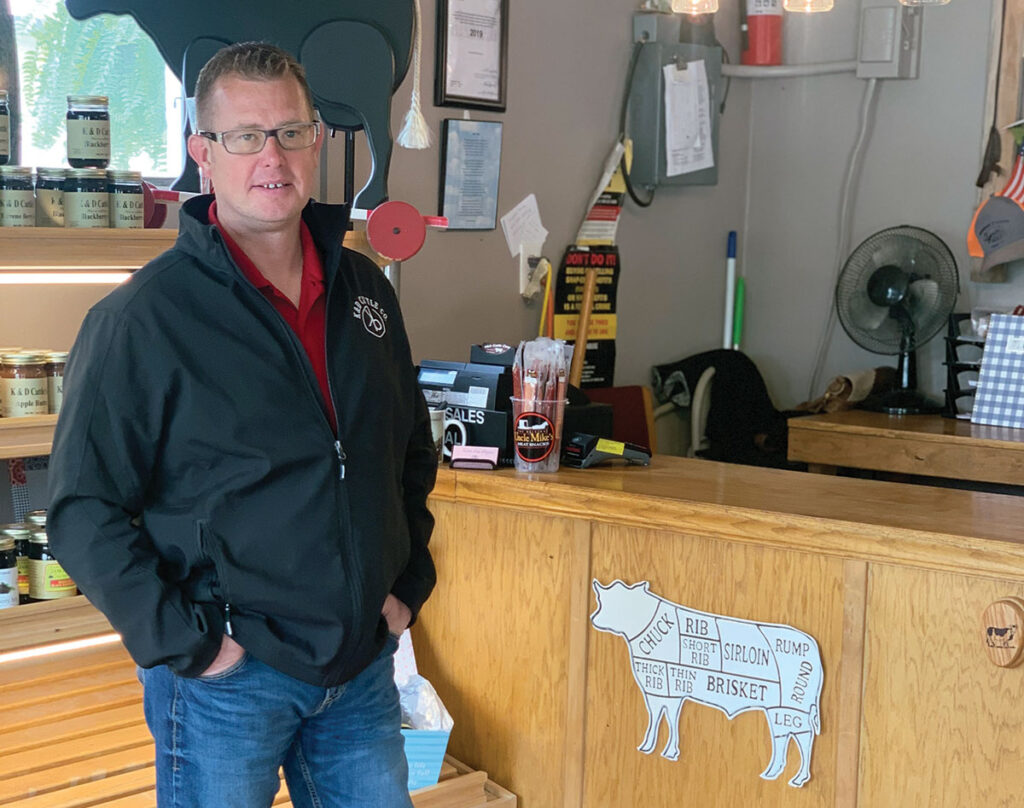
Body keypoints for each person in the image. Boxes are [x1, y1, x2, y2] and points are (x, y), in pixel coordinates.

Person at [48, 41, 437, 808]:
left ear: (316, 141)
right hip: (230, 680)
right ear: (203, 153)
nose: (273, 156)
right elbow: (82, 512)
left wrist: (407, 584)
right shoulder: (142, 320)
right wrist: (192, 648)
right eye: (244, 136)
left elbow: (408, 451)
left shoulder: (364, 291)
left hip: (359, 668)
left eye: (291, 132)